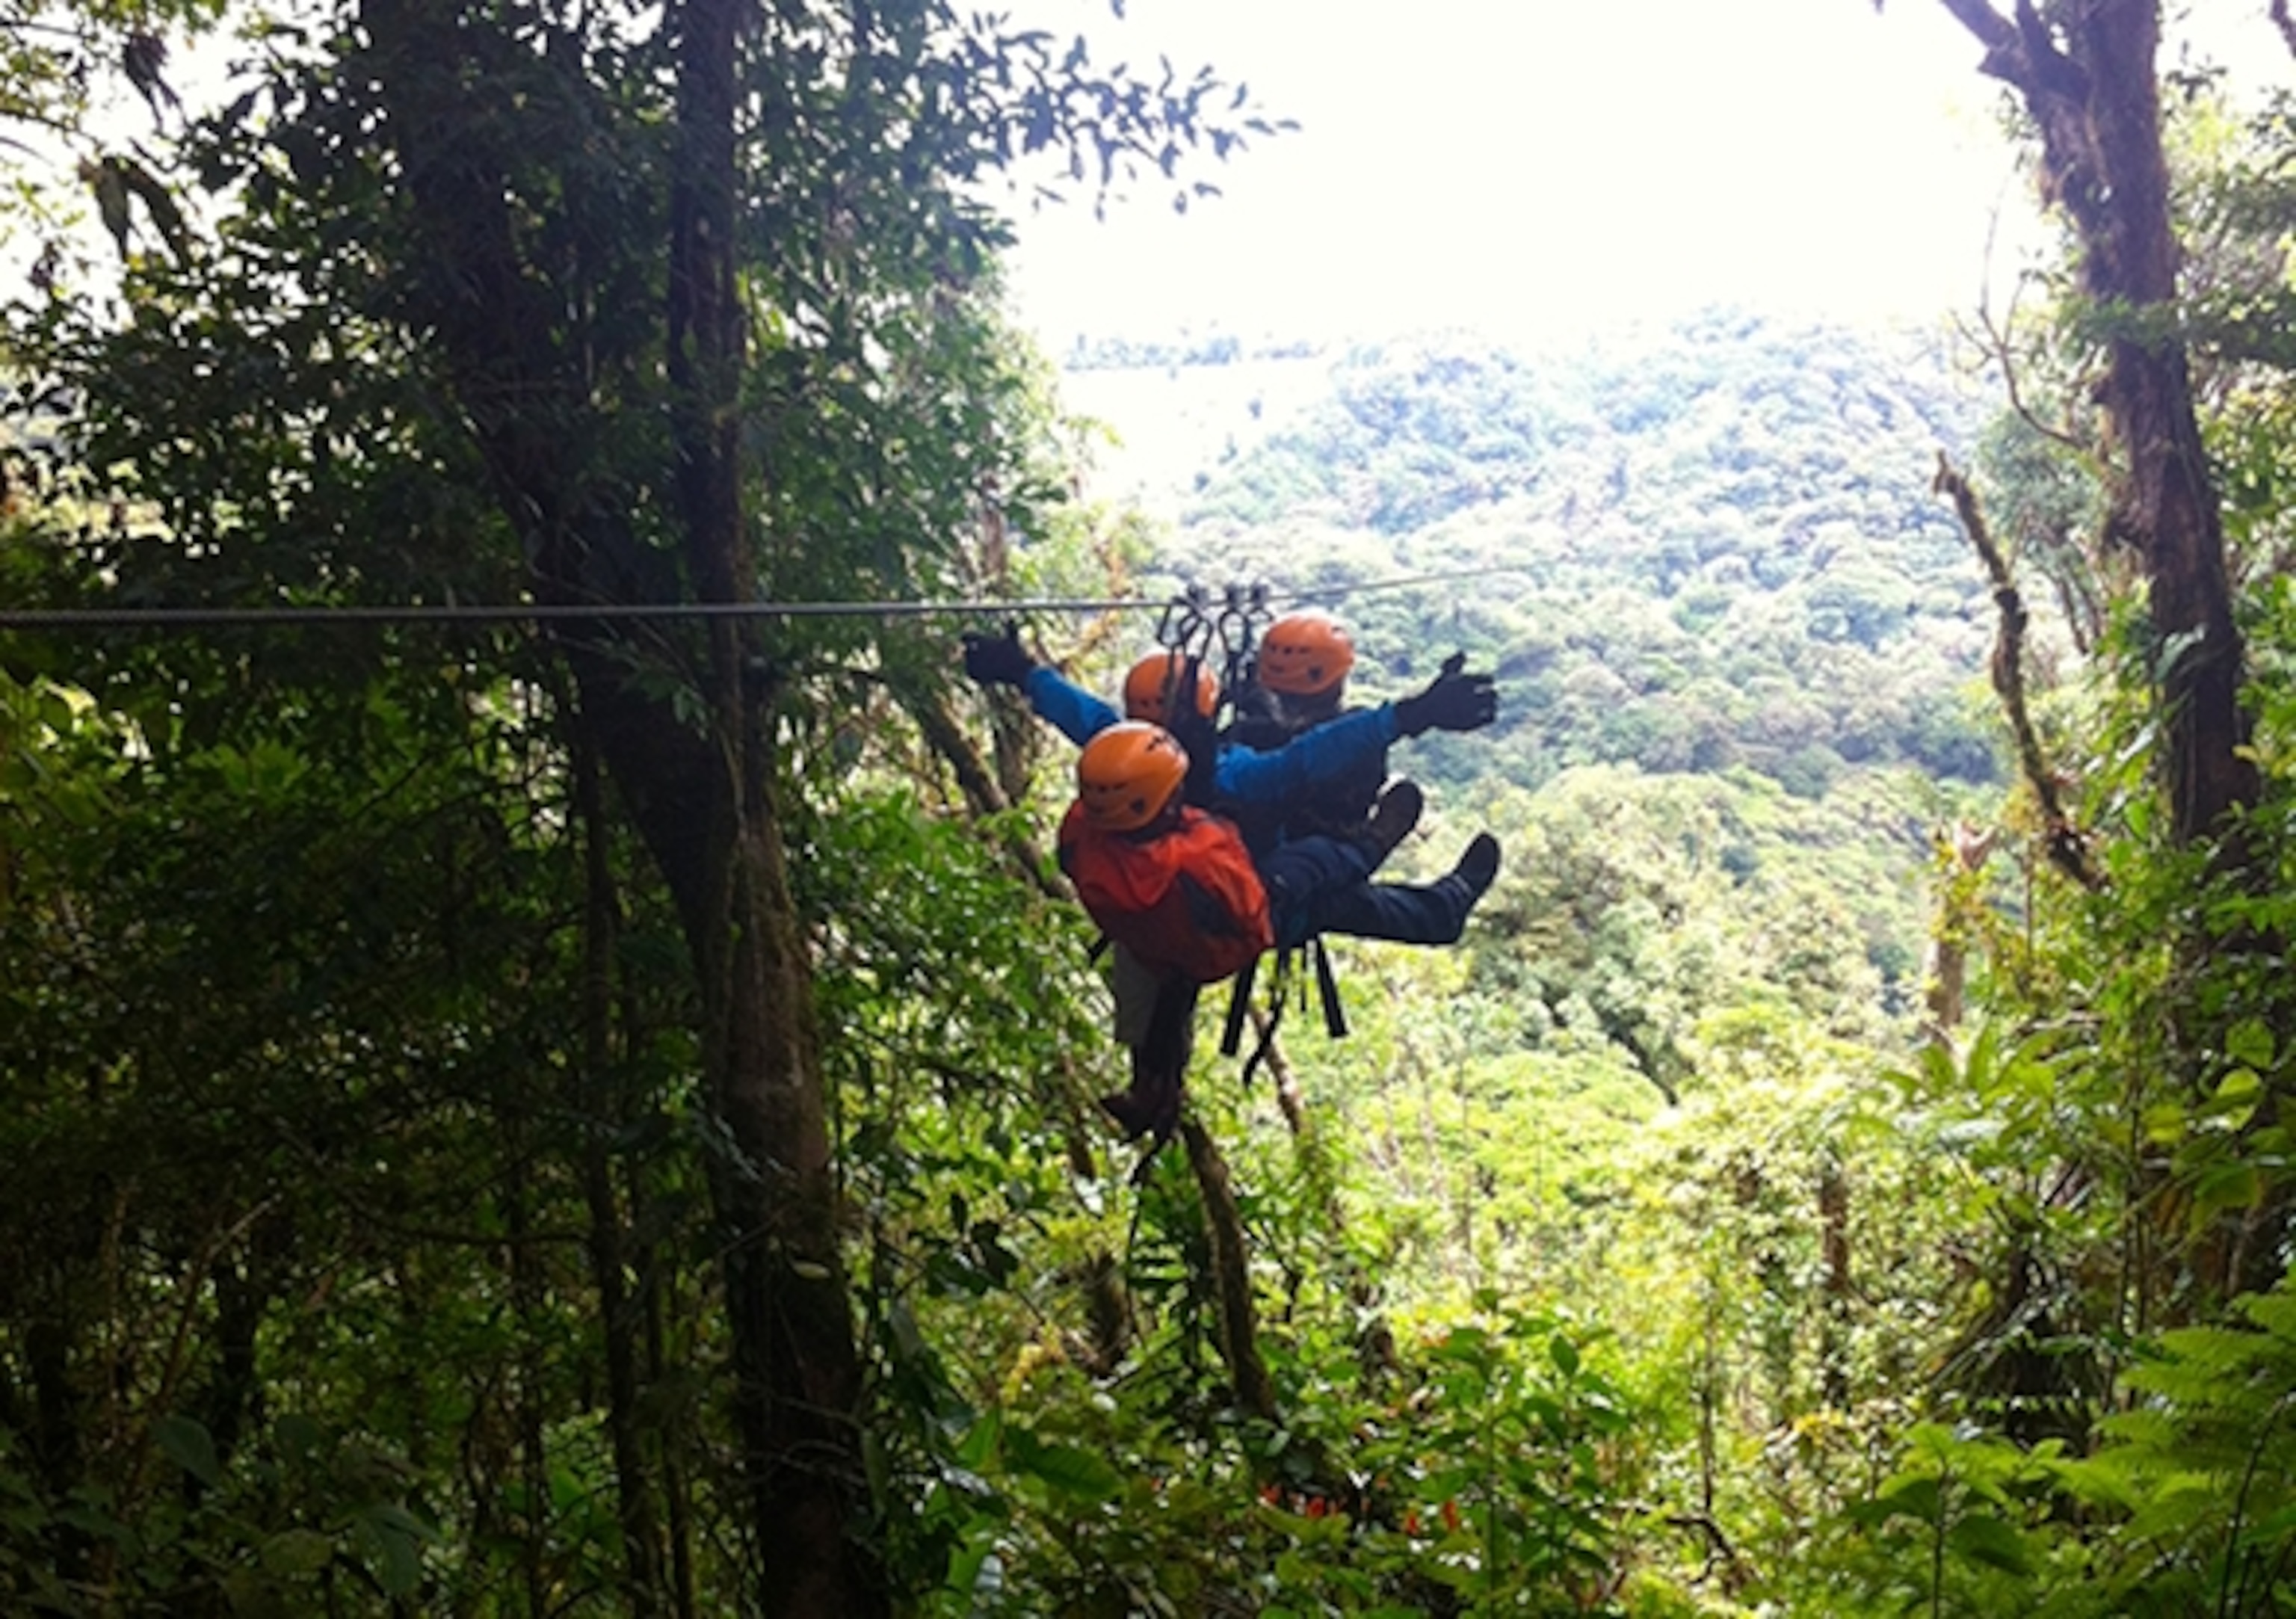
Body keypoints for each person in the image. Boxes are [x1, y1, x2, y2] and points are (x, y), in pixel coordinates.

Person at [1058, 721, 1490, 1139]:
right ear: (1163, 804)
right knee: (1316, 867)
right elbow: (1251, 906)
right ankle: (1371, 846)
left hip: (1157, 944)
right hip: (1234, 931)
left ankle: (1152, 1091)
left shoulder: (1082, 836)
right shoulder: (1195, 859)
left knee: (1164, 992)